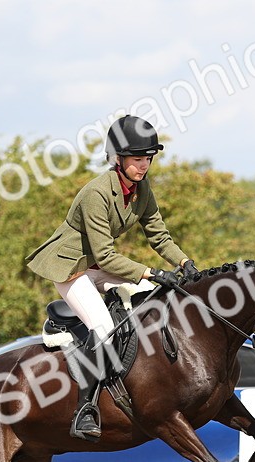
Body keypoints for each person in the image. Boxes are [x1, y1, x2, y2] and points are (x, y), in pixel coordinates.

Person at [25, 114, 196, 441]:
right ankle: (85, 407)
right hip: (72, 266)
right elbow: (104, 255)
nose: (143, 165)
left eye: (148, 158)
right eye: (137, 159)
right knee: (103, 326)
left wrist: (185, 263)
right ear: (117, 158)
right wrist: (152, 271)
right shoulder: (96, 193)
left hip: (97, 265)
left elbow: (159, 236)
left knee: (151, 295)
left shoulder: (142, 189)